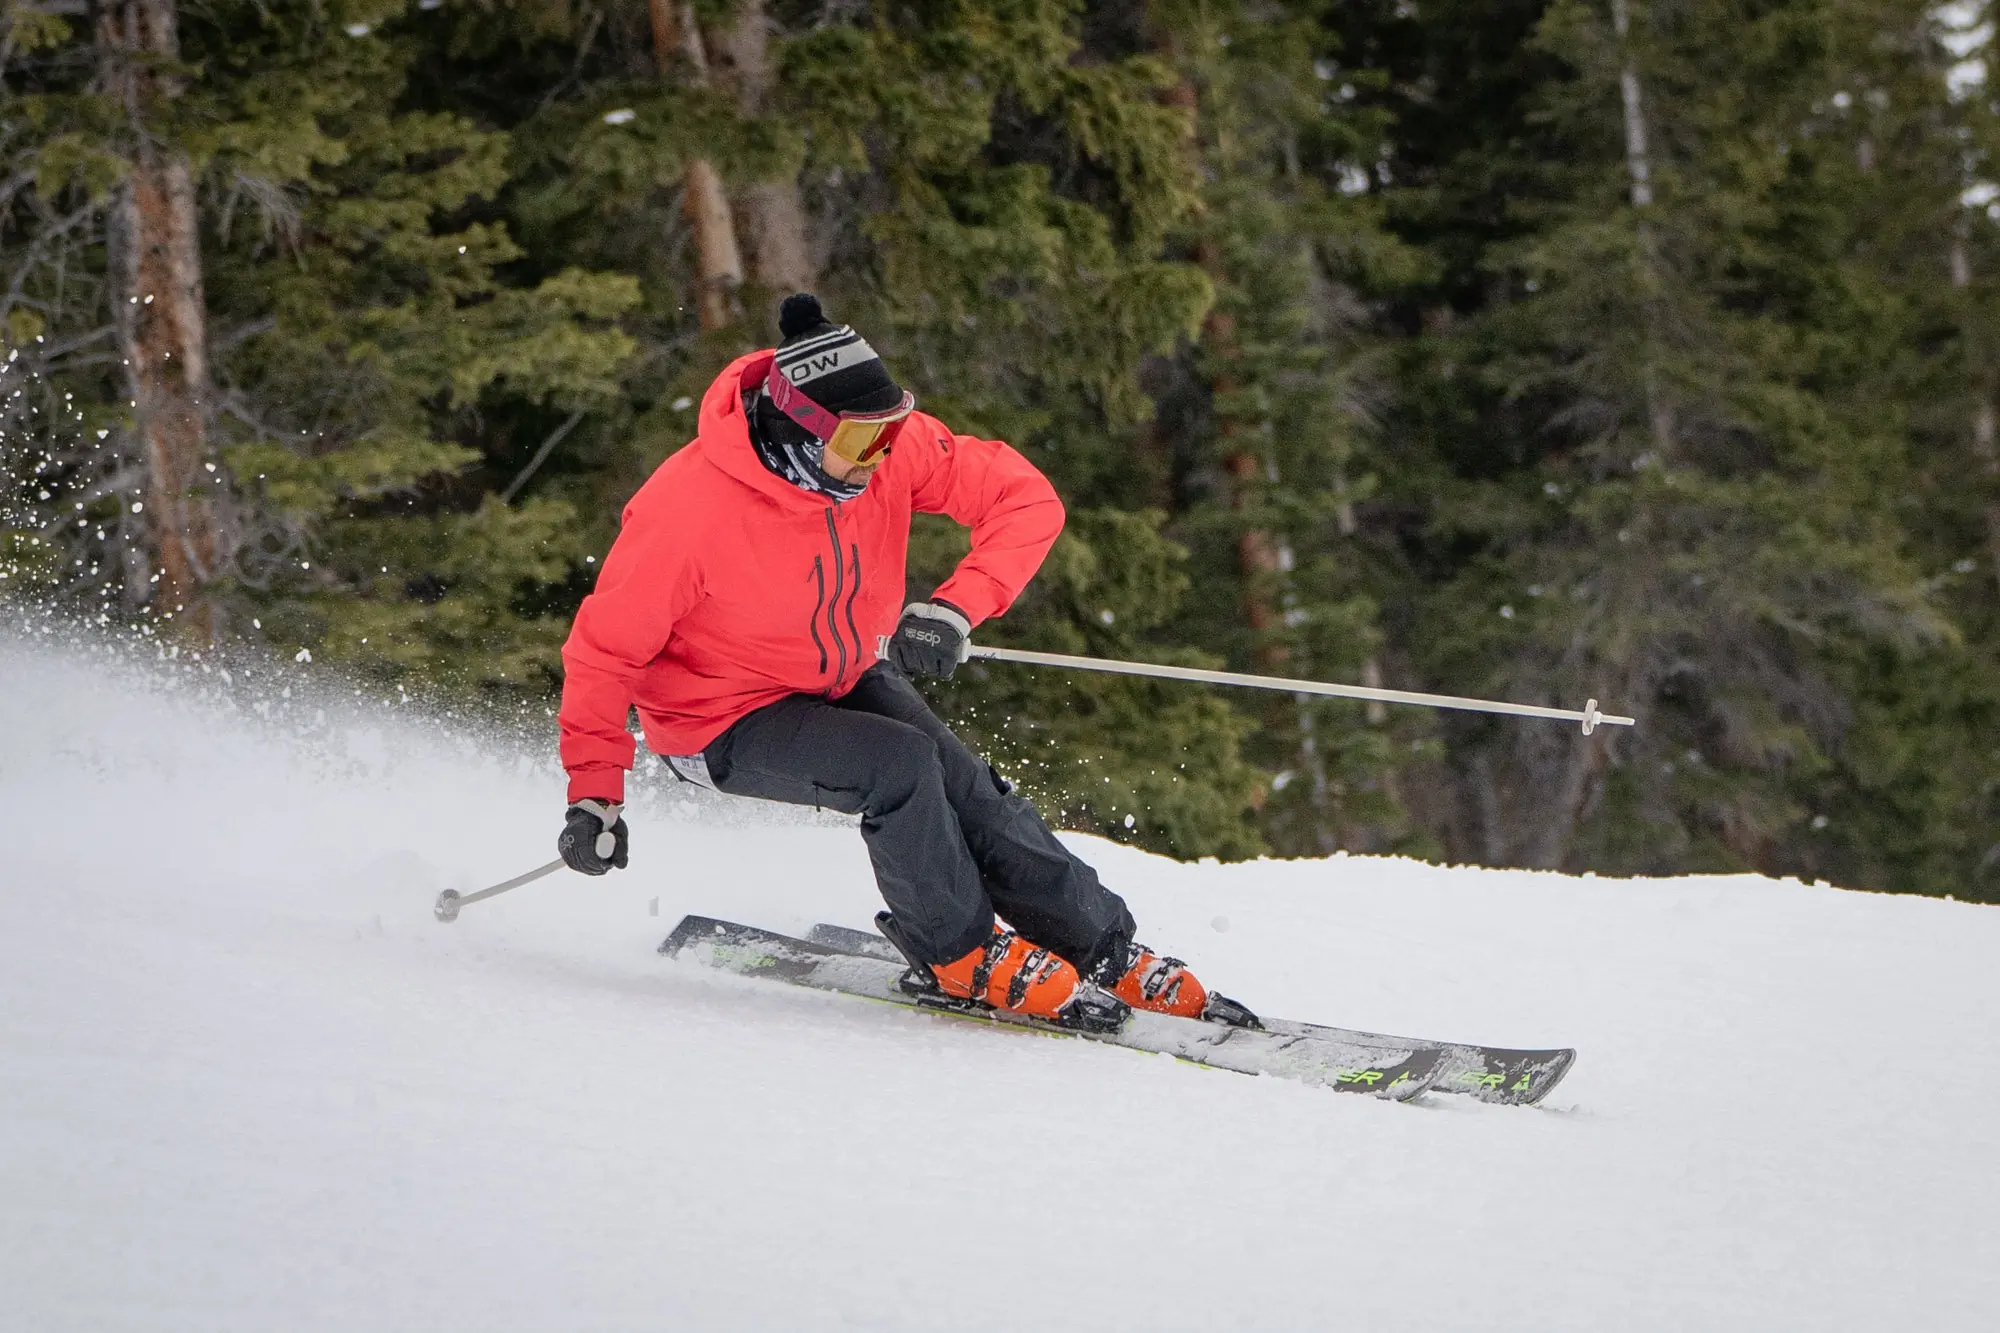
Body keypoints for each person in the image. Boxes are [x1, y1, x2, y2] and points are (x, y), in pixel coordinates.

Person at [554, 294, 1231, 1029]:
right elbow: (604, 650)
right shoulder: (688, 512)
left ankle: (1097, 946)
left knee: (964, 782)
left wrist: (956, 605)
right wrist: (595, 790)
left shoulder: (884, 454)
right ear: (796, 435)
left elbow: (1024, 497)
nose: (878, 459)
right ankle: (958, 952)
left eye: (889, 433)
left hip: (836, 674)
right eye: (859, 443)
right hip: (714, 718)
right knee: (900, 768)